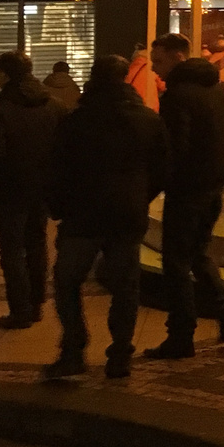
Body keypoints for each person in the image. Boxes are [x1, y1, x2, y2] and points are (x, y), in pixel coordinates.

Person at [44, 56, 170, 380]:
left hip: (81, 215)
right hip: (126, 214)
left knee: (67, 281)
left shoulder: (76, 121)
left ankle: (73, 348)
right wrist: (140, 196)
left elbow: (57, 169)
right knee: (125, 286)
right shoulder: (146, 120)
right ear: (125, 78)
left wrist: (58, 206)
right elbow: (161, 170)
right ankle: (120, 355)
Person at [147, 33, 224, 358]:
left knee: (175, 262)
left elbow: (174, 147)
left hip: (187, 189)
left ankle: (181, 335)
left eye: (158, 61)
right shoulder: (215, 91)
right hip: (212, 184)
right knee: (198, 252)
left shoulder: (177, 96)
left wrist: (158, 183)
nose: (154, 69)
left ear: (176, 57)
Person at [0, 52, 66, 329]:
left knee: (12, 250)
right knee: (37, 244)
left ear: (5, 74)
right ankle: (38, 303)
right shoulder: (54, 105)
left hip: (10, 190)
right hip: (42, 187)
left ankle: (20, 310)